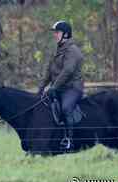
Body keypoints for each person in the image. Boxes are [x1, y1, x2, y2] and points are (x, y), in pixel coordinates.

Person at [38, 20, 84, 149]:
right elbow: (48, 72)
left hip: (72, 88)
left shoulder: (72, 51)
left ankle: (69, 140)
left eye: (57, 32)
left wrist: (53, 87)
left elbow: (67, 71)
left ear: (65, 34)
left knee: (65, 109)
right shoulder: (57, 50)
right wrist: (40, 89)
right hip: (59, 88)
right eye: (55, 32)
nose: (55, 35)